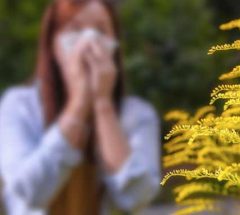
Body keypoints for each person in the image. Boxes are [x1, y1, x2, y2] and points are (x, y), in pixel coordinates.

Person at [0, 0, 161, 214]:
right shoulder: (19, 105)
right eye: (75, 29)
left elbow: (136, 196)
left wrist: (102, 104)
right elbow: (28, 192)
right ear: (53, 43)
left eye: (101, 30)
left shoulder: (137, 114)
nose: (89, 40)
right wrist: (78, 103)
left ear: (114, 42)